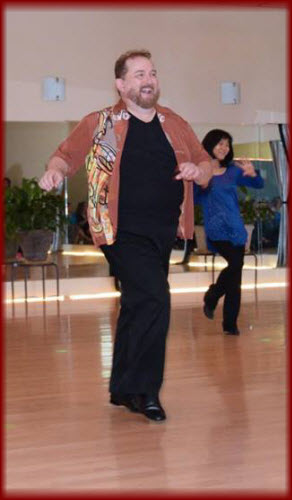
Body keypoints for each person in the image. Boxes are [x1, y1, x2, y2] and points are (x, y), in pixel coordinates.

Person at [39, 49, 213, 422]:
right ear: (121, 84)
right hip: (118, 230)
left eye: (151, 73)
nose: (147, 80)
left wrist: (195, 170)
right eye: (138, 74)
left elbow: (205, 163)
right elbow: (65, 155)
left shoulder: (173, 123)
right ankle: (146, 392)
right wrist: (54, 171)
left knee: (137, 303)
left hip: (163, 229)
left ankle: (122, 388)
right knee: (154, 298)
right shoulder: (102, 122)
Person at [194, 129, 264, 336]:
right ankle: (213, 295)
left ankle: (229, 323)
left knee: (235, 277)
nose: (224, 148)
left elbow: (259, 185)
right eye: (220, 144)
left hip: (235, 227)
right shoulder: (201, 171)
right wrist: (204, 186)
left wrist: (252, 174)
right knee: (236, 265)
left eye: (227, 144)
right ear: (210, 145)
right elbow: (195, 198)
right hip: (216, 228)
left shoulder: (233, 171)